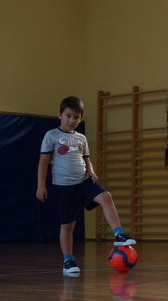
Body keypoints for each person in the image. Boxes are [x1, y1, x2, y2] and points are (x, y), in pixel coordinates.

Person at [36, 96, 136, 275]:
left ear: (80, 119)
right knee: (68, 225)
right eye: (68, 116)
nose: (72, 120)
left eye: (76, 117)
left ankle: (119, 234)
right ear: (60, 115)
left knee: (106, 196)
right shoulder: (51, 136)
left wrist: (91, 170)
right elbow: (43, 162)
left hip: (83, 182)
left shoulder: (81, 138)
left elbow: (86, 159)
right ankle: (68, 261)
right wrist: (40, 186)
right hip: (64, 187)